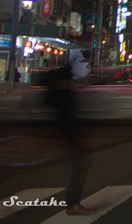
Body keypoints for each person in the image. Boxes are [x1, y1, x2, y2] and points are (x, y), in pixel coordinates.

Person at [42, 64, 96, 216]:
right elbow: (68, 114)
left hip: (67, 134)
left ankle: (72, 203)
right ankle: (72, 204)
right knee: (80, 164)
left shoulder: (57, 94)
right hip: (69, 134)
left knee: (80, 164)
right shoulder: (62, 95)